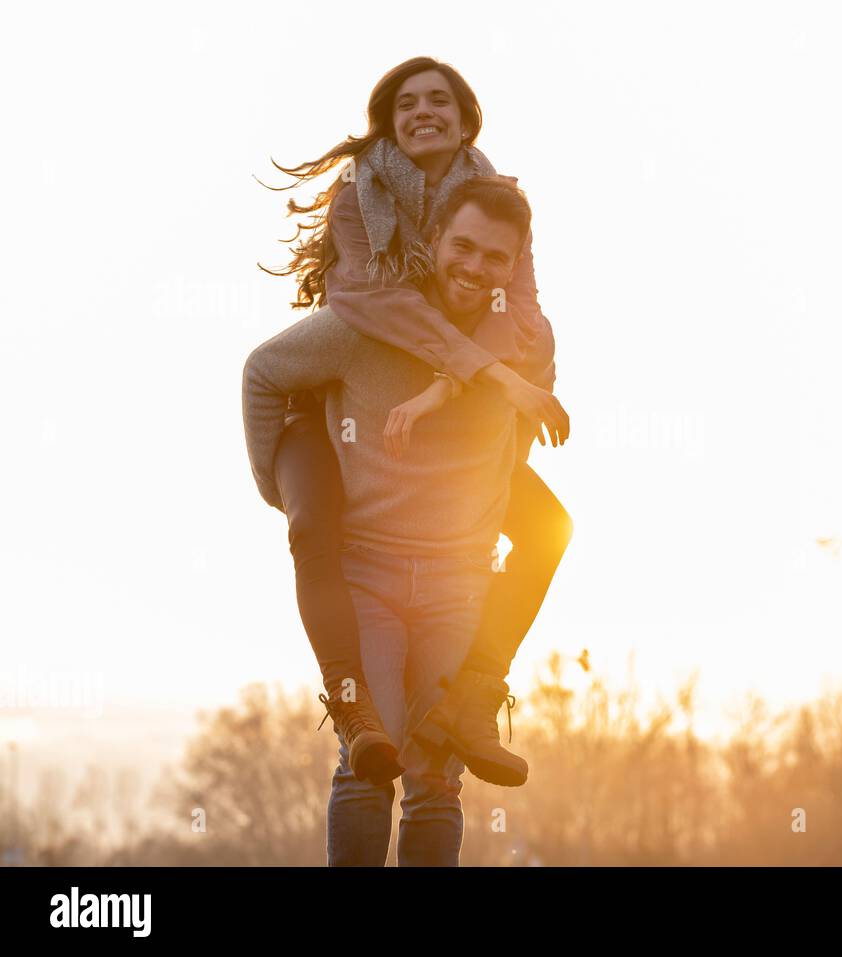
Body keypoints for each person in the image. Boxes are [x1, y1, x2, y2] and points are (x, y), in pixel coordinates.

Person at [256, 57, 571, 788]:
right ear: (387, 120)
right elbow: (381, 310)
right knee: (314, 525)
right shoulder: (356, 201)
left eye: (440, 101)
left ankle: (475, 697)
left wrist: (471, 420)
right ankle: (353, 703)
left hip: (452, 450)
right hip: (347, 410)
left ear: (466, 121)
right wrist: (479, 375)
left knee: (550, 528)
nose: (423, 111)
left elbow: (518, 316)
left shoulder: (497, 204)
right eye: (407, 102)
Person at [244, 175, 548, 865]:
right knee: (370, 760)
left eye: (494, 257)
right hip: (368, 573)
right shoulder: (367, 326)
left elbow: (519, 431)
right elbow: (263, 372)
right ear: (434, 240)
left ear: (516, 265)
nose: (473, 267)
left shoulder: (527, 340)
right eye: (461, 246)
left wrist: (485, 497)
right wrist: (282, 487)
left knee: (437, 775)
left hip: (458, 580)